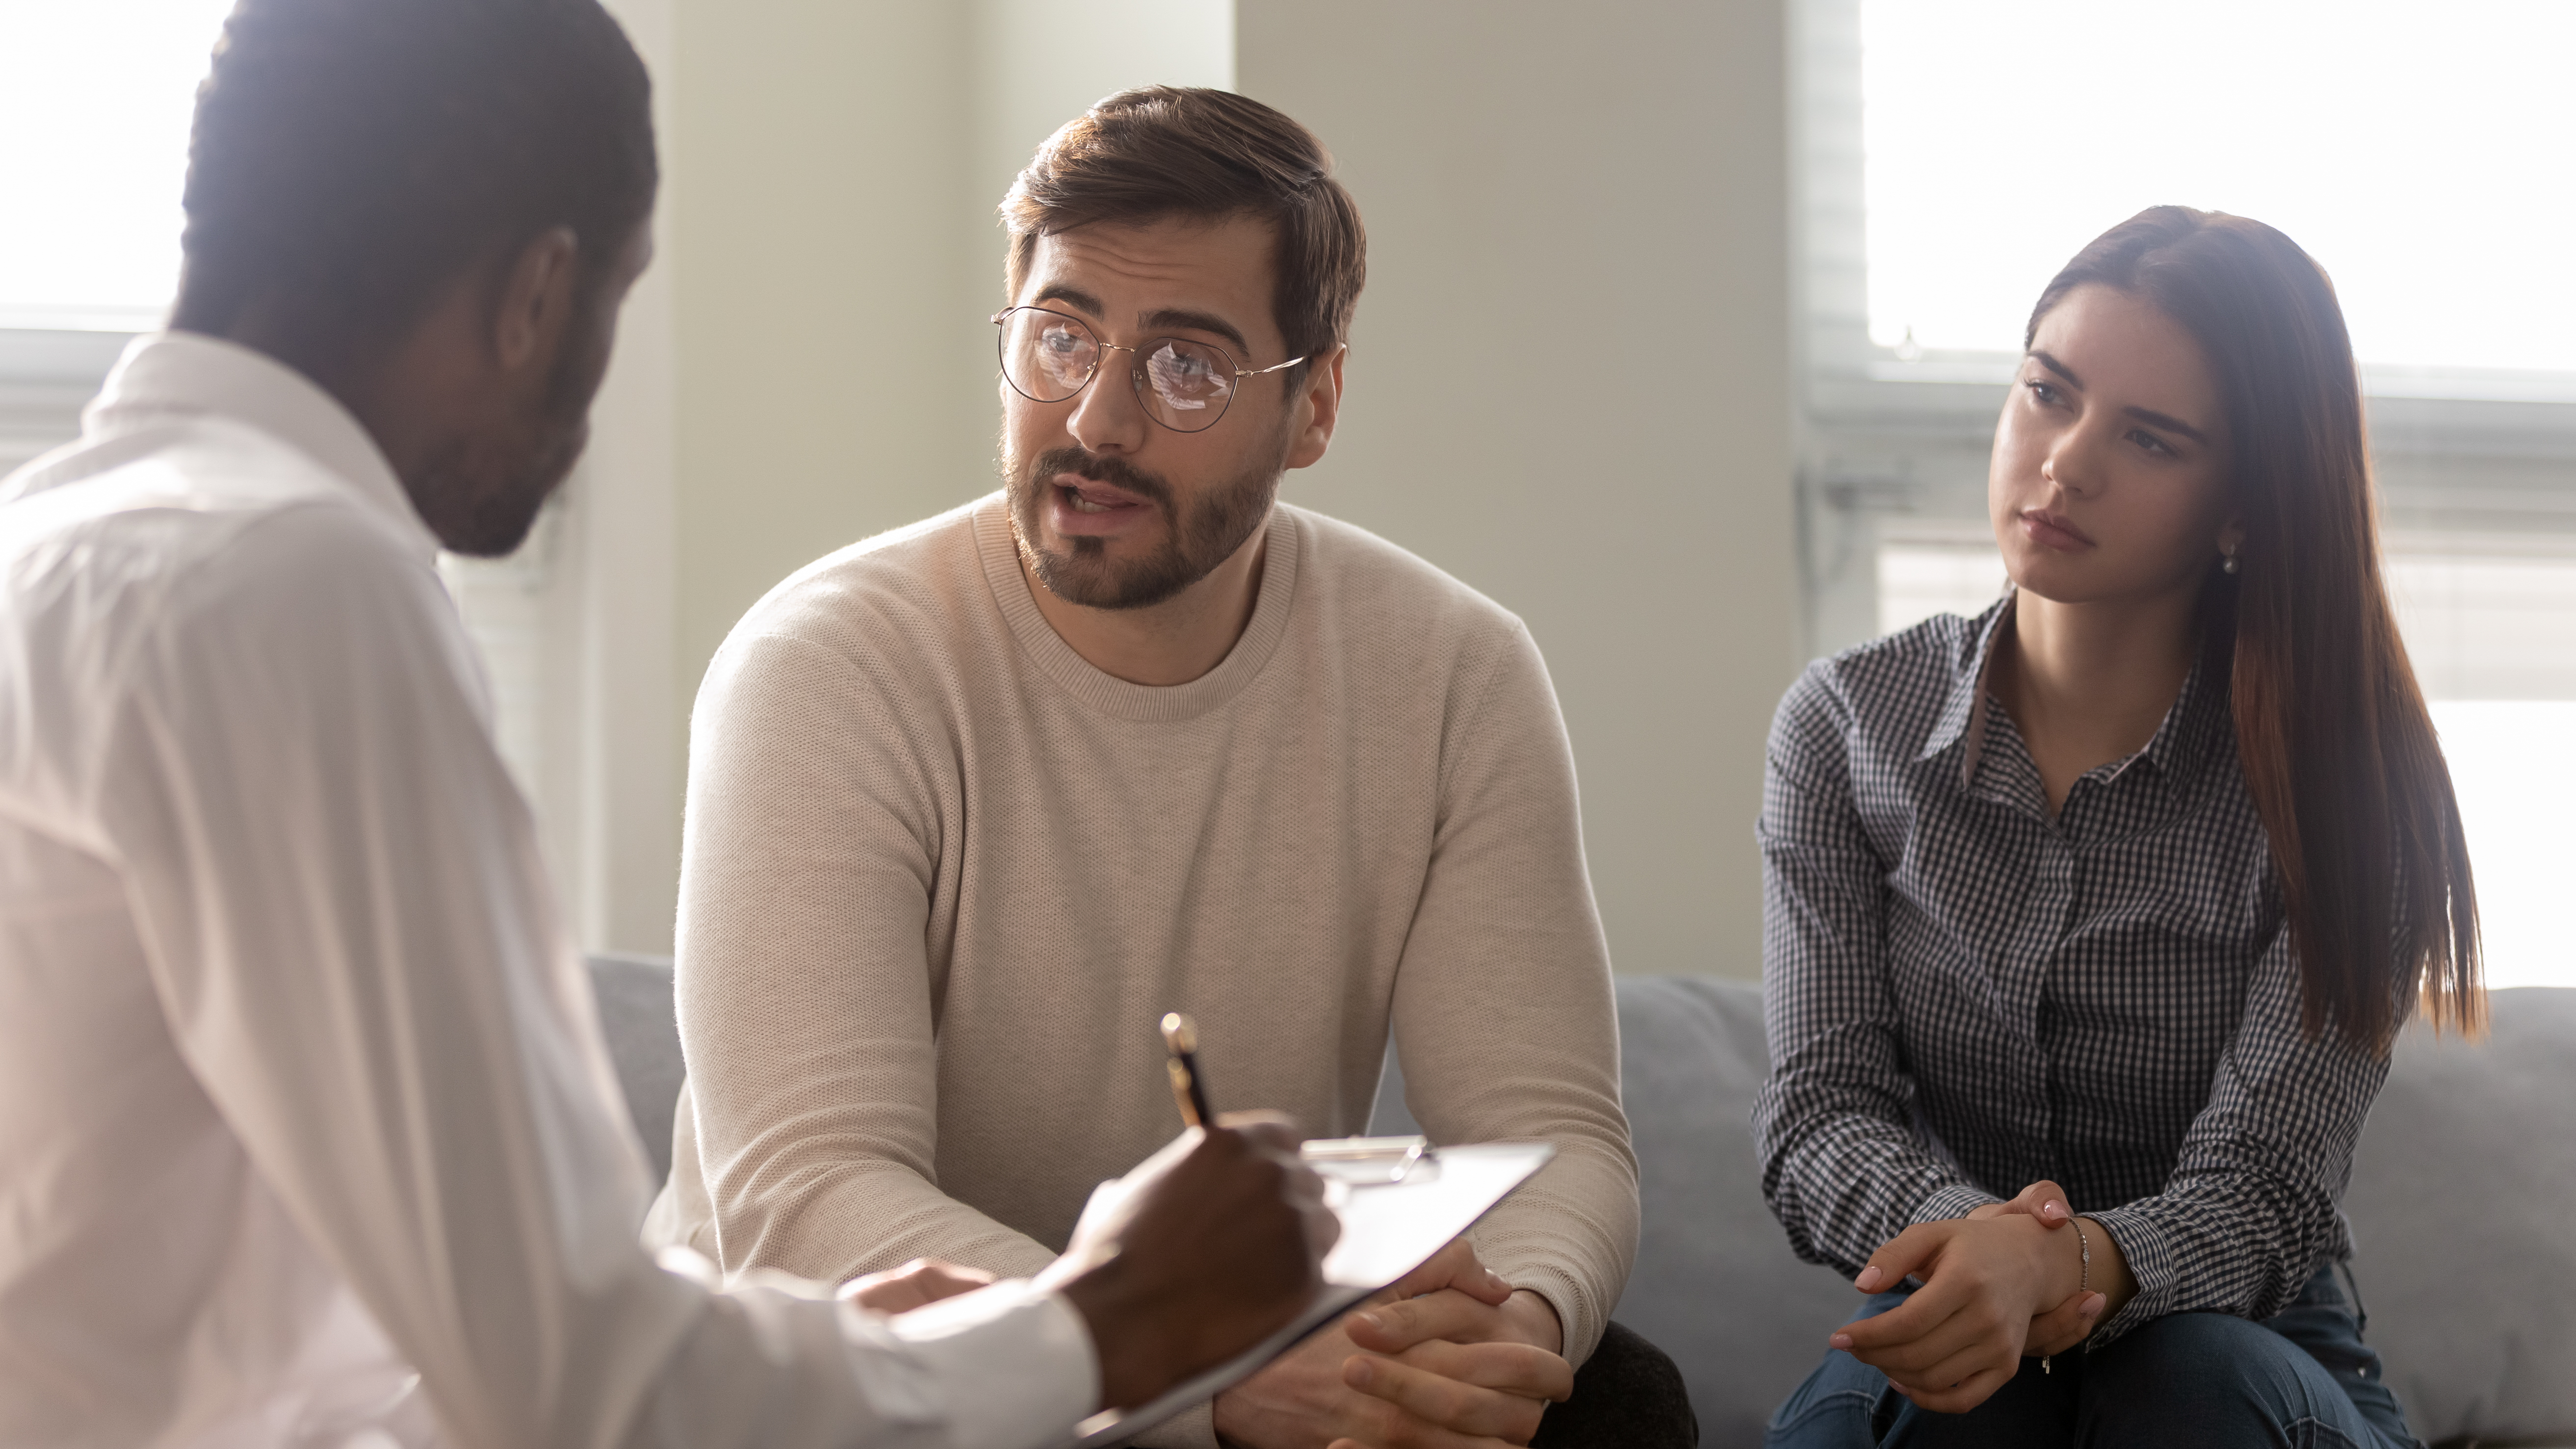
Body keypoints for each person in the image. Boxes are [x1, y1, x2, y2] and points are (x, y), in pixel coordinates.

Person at [0, 6, 1346, 1447]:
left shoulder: (57, 552)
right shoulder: (289, 589)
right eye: (617, 302)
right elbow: (576, 1389)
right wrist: (1108, 1324)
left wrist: (830, 1350)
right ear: (538, 293)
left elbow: (320, 1337)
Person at [644, 87, 1693, 1449]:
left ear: (1311, 404)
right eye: (1059, 335)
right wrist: (1191, 1368)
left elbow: (1550, 1134)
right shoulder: (827, 665)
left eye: (1186, 364)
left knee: (1613, 1400)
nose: (1098, 418)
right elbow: (806, 1197)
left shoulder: (1451, 674)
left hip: (1244, 1351)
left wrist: (1506, 1335)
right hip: (878, 1387)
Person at [1753, 206, 2481, 1449]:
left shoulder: (2349, 779)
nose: (2066, 462)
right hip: (1953, 1304)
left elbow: (2262, 1195)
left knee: (2186, 1385)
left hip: (2252, 1355)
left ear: (2244, 506)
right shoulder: (1844, 728)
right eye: (2049, 391)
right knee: (1935, 1420)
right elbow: (1820, 1112)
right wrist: (1984, 1257)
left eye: (2149, 438)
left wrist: (2062, 1266)